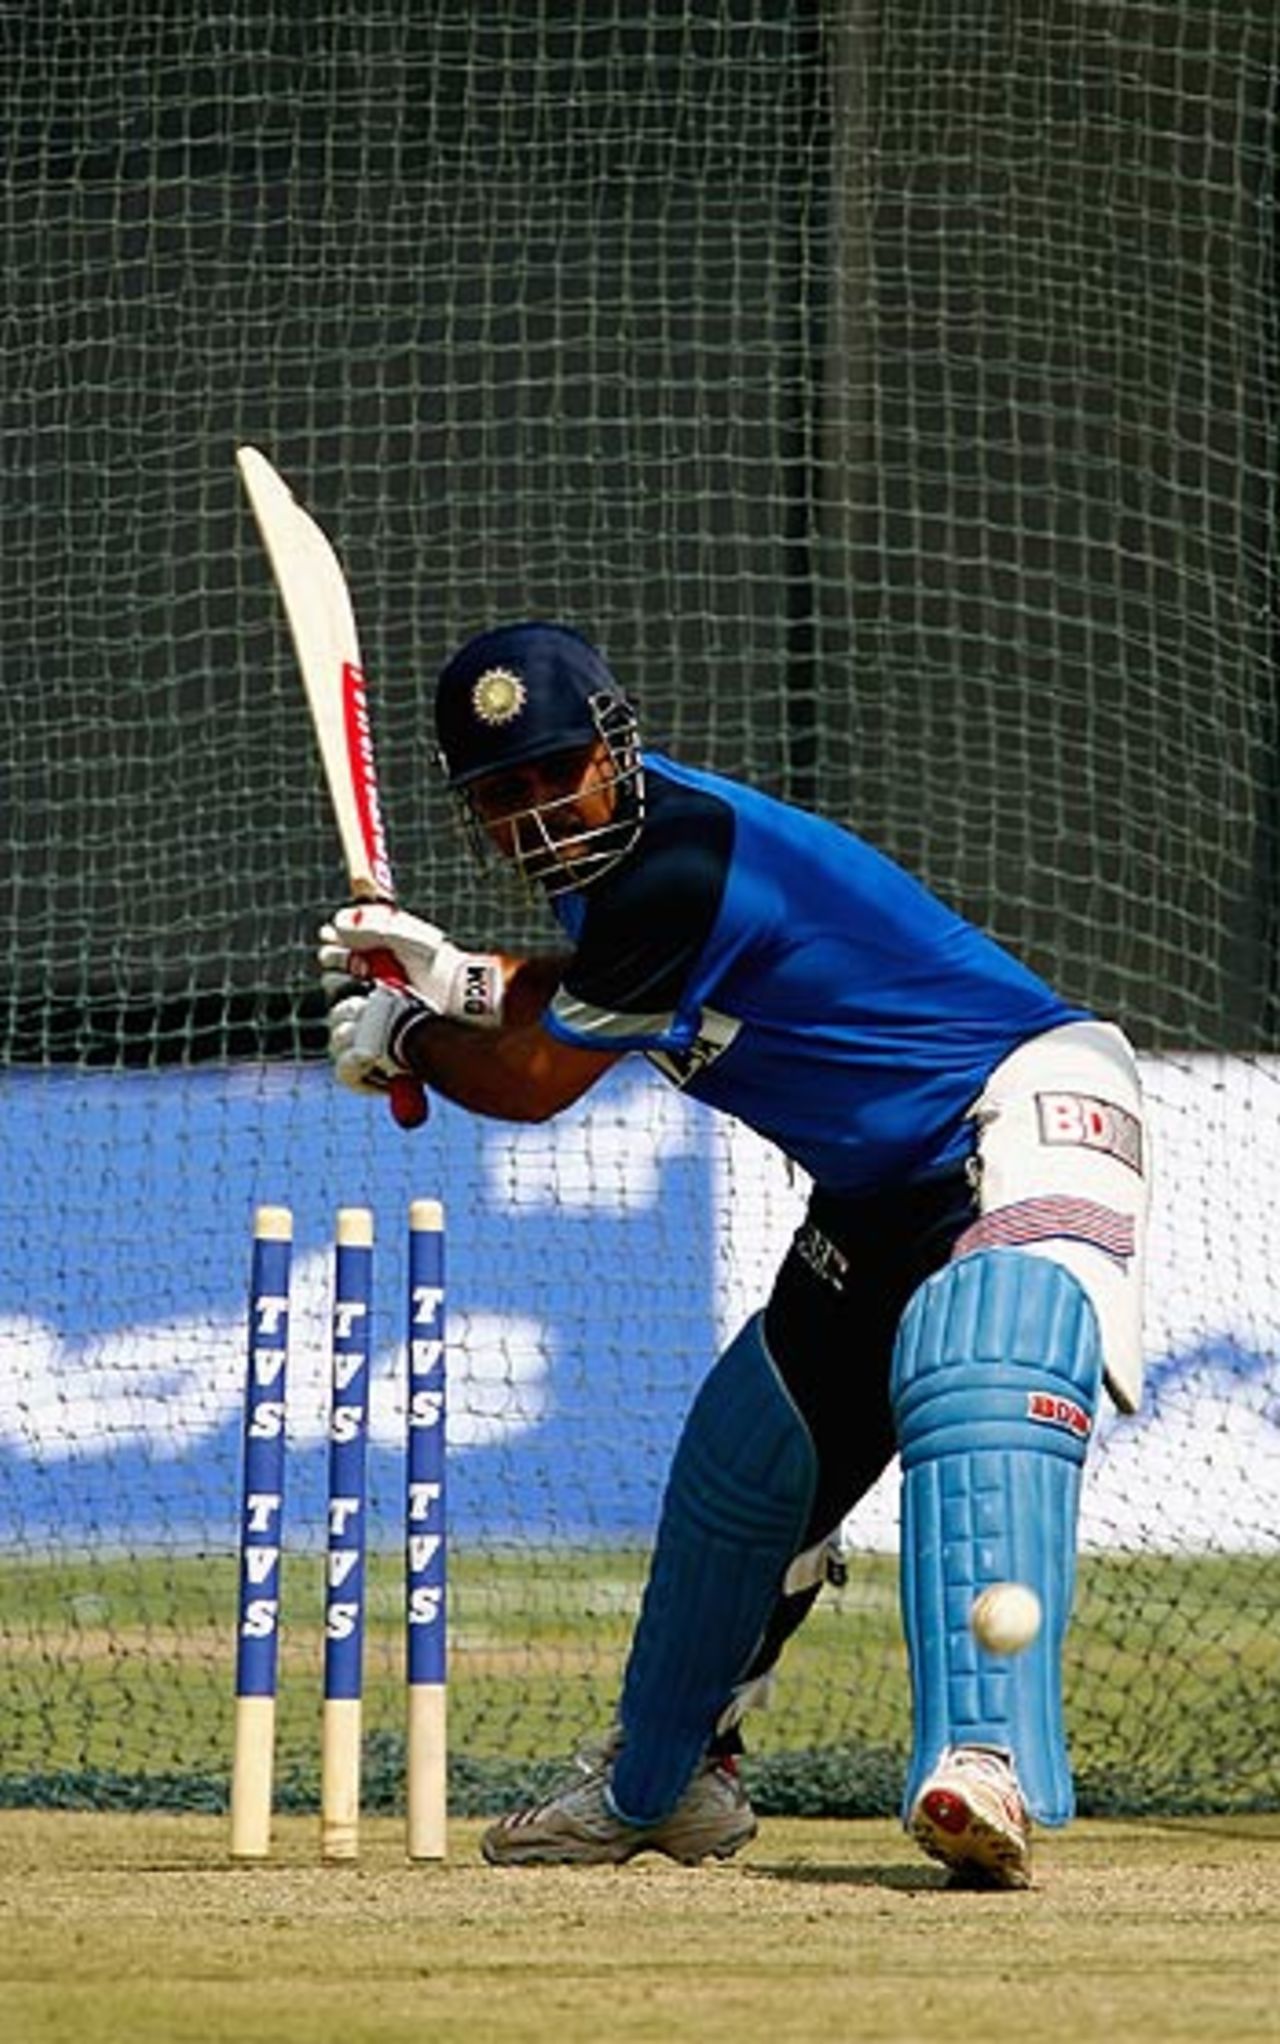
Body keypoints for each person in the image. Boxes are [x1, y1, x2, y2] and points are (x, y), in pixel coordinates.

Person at [317, 621, 1150, 1887]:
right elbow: (607, 987)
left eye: (557, 775)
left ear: (614, 750)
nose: (541, 815)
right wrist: (462, 981)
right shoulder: (617, 880)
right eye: (505, 795)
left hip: (1017, 1103)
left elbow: (541, 1082)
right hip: (879, 1184)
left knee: (978, 1371)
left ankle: (985, 1760)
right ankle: (663, 1786)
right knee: (742, 1466)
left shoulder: (674, 856)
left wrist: (411, 1039)